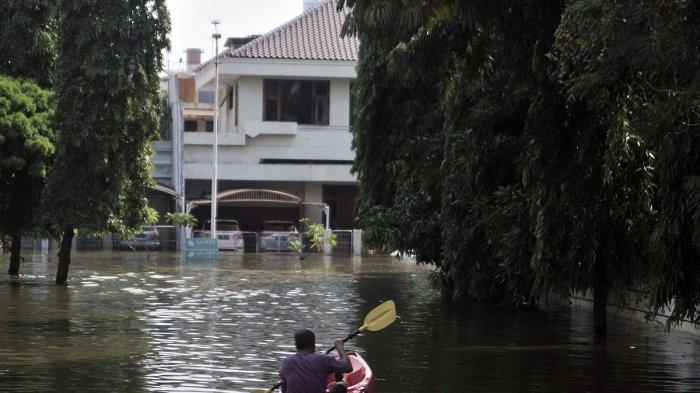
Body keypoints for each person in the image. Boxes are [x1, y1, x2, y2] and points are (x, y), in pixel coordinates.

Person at [279, 329, 353, 393]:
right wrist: (339, 347)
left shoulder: (287, 362)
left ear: (296, 345)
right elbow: (348, 367)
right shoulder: (323, 359)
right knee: (342, 385)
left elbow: (282, 375)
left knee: (285, 382)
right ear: (314, 344)